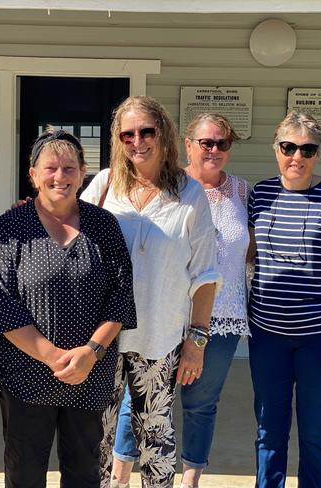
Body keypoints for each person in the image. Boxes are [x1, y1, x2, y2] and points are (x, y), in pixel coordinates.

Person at [0, 129, 137, 488]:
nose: (60, 177)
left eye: (70, 168)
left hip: (89, 374)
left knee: (84, 473)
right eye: (50, 168)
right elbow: (0, 302)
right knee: (24, 474)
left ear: (83, 173)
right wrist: (53, 356)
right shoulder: (12, 227)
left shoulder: (103, 226)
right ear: (33, 173)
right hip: (26, 377)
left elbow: (120, 296)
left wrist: (90, 352)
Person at [81, 96, 221, 488]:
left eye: (146, 131)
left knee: (156, 441)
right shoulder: (104, 186)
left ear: (164, 133)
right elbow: (71, 242)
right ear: (117, 139)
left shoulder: (190, 195)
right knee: (96, 437)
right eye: (128, 134)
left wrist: (196, 341)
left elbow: (205, 275)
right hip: (103, 338)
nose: (137, 140)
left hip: (160, 338)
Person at [248, 111, 321, 487]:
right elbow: (244, 255)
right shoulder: (260, 194)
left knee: (316, 432)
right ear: (276, 149)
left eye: (307, 149)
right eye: (288, 147)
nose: (296, 156)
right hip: (267, 336)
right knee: (269, 429)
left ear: (318, 154)